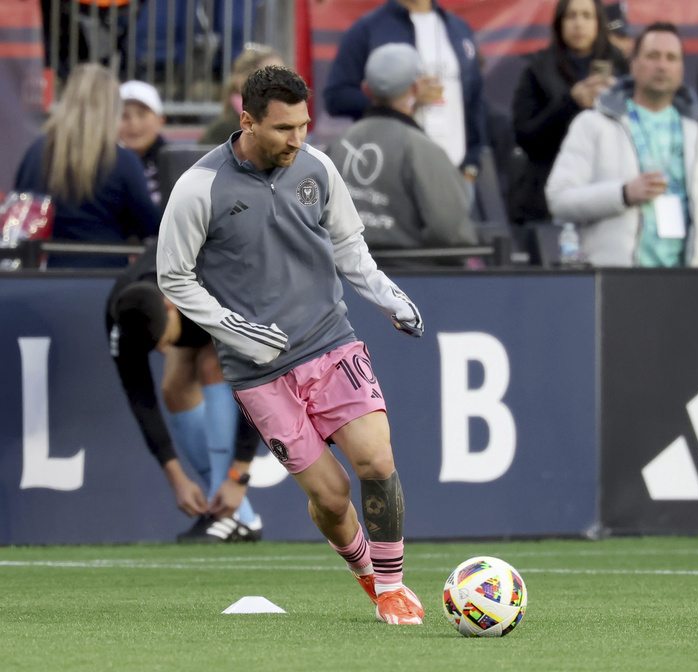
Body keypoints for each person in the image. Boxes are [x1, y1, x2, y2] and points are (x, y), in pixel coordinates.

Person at [157, 65, 426, 625]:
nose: (297, 139)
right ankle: (367, 579)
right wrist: (233, 327)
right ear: (247, 120)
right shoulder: (198, 188)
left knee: (377, 459)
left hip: (331, 343)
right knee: (330, 497)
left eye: (304, 125)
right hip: (259, 372)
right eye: (283, 129)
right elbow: (174, 277)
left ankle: (396, 587)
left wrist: (387, 295)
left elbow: (349, 246)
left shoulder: (318, 167)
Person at [107, 245, 264, 542]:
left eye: (163, 341)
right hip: (188, 311)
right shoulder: (121, 314)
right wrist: (176, 477)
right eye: (154, 348)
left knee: (211, 365)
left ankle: (227, 514)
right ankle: (239, 517)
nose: (163, 351)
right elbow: (140, 397)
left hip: (220, 300)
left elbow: (256, 383)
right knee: (174, 389)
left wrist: (238, 475)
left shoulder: (214, 284)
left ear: (169, 305)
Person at [545, 23, 698, 268]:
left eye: (671, 58)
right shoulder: (593, 124)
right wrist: (622, 194)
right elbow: (559, 199)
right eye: (653, 56)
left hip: (686, 285)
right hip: (616, 283)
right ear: (633, 65)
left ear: (681, 69)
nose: (662, 65)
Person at [326, 43, 477, 266]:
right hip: (410, 281)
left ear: (366, 89)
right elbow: (453, 234)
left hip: (341, 280)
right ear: (416, 89)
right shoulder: (422, 150)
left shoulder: (338, 144)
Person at [14, 63, 159, 268]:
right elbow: (150, 224)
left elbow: (21, 213)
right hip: (104, 278)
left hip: (42, 277)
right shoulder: (122, 159)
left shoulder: (37, 152)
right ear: (112, 109)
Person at [322, 0, 487, 180]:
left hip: (454, 171)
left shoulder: (458, 28)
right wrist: (398, 98)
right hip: (392, 174)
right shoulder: (368, 28)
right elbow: (336, 97)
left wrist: (472, 165)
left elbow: (474, 102)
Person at [510, 0, 627, 225]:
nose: (578, 23)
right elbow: (525, 135)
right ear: (559, 23)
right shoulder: (538, 69)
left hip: (608, 188)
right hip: (549, 193)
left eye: (586, 16)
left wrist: (617, 99)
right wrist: (570, 103)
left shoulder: (621, 66)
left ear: (598, 22)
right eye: (571, 16)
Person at [199, 43, 285, 145]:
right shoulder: (221, 131)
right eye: (270, 77)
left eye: (284, 77)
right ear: (243, 82)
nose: (280, 85)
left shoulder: (290, 128)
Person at [118, 80, 167, 209]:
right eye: (124, 116)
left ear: (160, 120)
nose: (133, 123)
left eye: (141, 114)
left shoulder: (175, 162)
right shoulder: (103, 164)